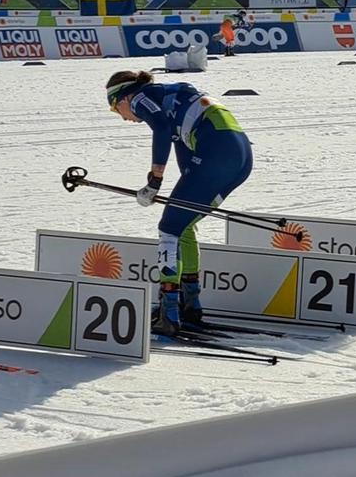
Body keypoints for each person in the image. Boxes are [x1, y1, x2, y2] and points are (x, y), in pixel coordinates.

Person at [106, 71, 253, 336]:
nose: (122, 117)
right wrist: (170, 192)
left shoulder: (139, 97)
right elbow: (187, 166)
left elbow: (160, 128)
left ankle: (169, 313)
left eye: (115, 108)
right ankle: (190, 306)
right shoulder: (169, 98)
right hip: (239, 157)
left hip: (218, 151)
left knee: (168, 228)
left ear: (123, 97)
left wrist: (154, 180)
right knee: (182, 224)